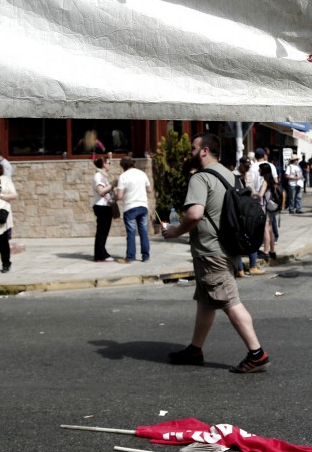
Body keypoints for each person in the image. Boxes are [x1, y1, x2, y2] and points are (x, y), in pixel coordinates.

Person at [161, 133, 269, 372]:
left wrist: (176, 231)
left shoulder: (200, 178)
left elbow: (195, 214)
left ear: (204, 150)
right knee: (206, 302)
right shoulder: (231, 176)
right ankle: (195, 349)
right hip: (228, 247)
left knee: (230, 301)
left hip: (211, 250)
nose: (190, 152)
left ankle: (257, 353)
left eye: (193, 148)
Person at [115, 154, 152, 262]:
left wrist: (116, 190)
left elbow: (119, 196)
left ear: (123, 166)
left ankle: (131, 256)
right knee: (143, 232)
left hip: (130, 207)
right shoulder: (142, 174)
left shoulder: (123, 176)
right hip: (143, 206)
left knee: (131, 233)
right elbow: (149, 189)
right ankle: (145, 256)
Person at [91, 155, 117, 262]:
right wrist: (112, 185)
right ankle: (100, 255)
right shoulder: (98, 176)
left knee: (104, 231)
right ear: (103, 164)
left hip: (105, 206)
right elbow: (101, 191)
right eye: (109, 162)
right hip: (101, 206)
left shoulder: (103, 176)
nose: (110, 164)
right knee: (102, 231)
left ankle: (102, 252)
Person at [258, 162, 279, 262]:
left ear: (264, 171)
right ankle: (272, 251)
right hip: (271, 208)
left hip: (265, 208)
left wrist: (253, 194)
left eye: (260, 169)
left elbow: (261, 194)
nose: (259, 171)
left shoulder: (265, 181)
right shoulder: (273, 181)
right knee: (270, 229)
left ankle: (266, 252)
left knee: (266, 229)